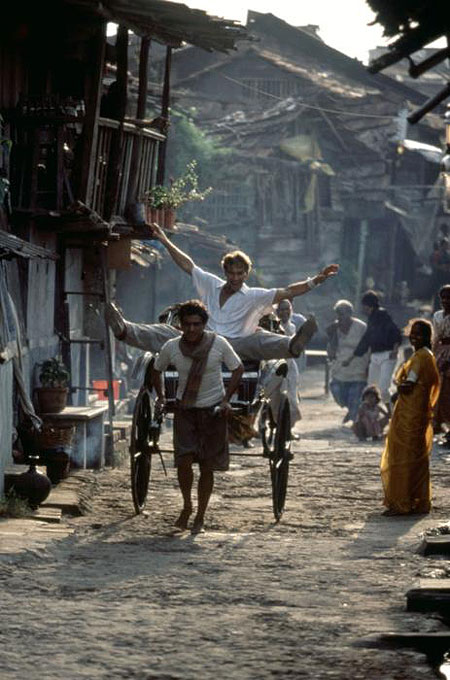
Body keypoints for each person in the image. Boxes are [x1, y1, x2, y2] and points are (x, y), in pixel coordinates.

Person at [105, 222, 339, 361]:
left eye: (240, 274)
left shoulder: (254, 295)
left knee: (260, 340)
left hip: (237, 345)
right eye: (231, 273)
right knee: (166, 332)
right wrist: (165, 241)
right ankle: (125, 330)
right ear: (225, 272)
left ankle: (292, 346)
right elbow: (188, 265)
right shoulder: (211, 283)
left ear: (246, 274)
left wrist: (316, 280)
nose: (235, 278)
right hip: (204, 340)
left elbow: (288, 291)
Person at [151, 300, 244, 534]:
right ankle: (186, 506)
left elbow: (238, 368)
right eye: (187, 324)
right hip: (185, 410)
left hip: (213, 411)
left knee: (207, 466)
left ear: (204, 325)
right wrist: (161, 397)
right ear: (180, 325)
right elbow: (156, 369)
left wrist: (225, 401)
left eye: (197, 324)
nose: (192, 329)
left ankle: (200, 516)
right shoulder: (172, 347)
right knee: (183, 461)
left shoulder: (218, 344)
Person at [380, 319, 440, 516]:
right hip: (414, 412)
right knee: (415, 456)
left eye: (419, 333)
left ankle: (402, 502)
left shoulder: (421, 357)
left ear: (427, 337)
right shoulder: (424, 355)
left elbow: (409, 385)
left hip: (411, 413)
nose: (414, 337)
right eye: (412, 333)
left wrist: (398, 386)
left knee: (404, 456)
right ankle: (415, 499)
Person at [343, 290, 402, 406]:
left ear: (368, 305)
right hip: (375, 356)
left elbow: (395, 333)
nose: (363, 308)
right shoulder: (371, 319)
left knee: (384, 389)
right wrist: (352, 358)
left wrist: (395, 350)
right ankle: (372, 415)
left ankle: (393, 412)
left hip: (387, 354)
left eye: (364, 305)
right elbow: (366, 340)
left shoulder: (382, 315)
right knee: (371, 389)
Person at [326, 299, 369, 424]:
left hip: (358, 366)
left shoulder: (361, 327)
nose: (340, 316)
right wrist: (331, 334)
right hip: (340, 367)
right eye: (338, 313)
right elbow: (331, 347)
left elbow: (368, 346)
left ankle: (354, 422)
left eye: (343, 313)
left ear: (350, 313)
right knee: (337, 392)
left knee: (354, 396)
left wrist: (368, 366)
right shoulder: (335, 327)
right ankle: (352, 411)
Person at [276, 299, 302, 433]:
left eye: (287, 309)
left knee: (291, 399)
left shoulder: (292, 326)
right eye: (281, 309)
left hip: (290, 367)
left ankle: (288, 430)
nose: (284, 312)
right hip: (275, 367)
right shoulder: (272, 326)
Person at [433, 284, 450, 447]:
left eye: (448, 298)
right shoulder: (438, 316)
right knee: (438, 389)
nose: (445, 301)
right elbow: (435, 337)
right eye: (443, 298)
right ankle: (437, 424)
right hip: (440, 352)